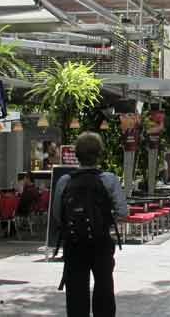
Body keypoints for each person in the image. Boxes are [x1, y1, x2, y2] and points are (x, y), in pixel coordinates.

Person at [52, 132, 129, 317]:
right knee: (104, 288)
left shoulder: (65, 181)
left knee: (76, 292)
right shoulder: (109, 180)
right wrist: (103, 220)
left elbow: (57, 215)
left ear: (77, 155)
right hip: (101, 243)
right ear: (99, 154)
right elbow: (123, 212)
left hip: (74, 244)